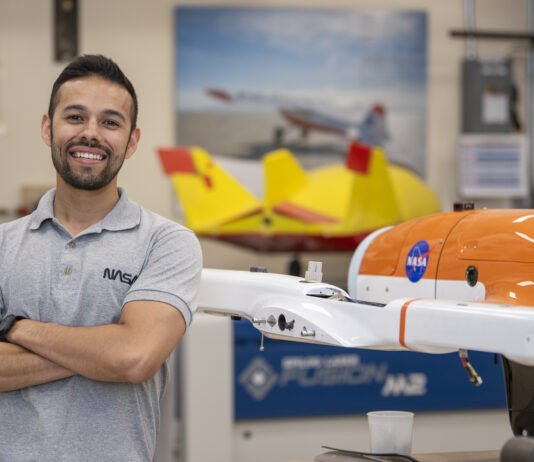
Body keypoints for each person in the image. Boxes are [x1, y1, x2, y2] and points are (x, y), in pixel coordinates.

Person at [0, 55, 202, 461]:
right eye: (75, 117)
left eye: (110, 122)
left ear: (132, 141)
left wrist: (16, 328)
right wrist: (103, 351)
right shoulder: (3, 244)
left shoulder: (167, 242)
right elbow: (122, 355)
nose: (90, 134)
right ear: (47, 127)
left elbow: (135, 358)